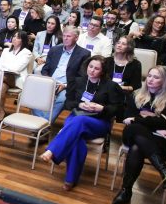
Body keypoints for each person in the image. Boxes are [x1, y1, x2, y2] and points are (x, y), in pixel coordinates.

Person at [40, 56, 122, 190]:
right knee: (77, 138)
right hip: (76, 116)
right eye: (90, 67)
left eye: (96, 68)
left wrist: (102, 108)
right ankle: (70, 180)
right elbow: (68, 103)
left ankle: (52, 150)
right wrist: (80, 104)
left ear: (102, 71)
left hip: (98, 122)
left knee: (79, 122)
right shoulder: (78, 81)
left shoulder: (111, 86)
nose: (92, 70)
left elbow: (117, 109)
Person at [112, 66, 166, 204]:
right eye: (149, 76)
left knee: (137, 148)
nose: (151, 80)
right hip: (134, 134)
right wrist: (154, 125)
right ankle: (164, 171)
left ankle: (126, 191)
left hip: (160, 142)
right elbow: (126, 118)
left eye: (156, 77)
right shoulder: (136, 95)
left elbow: (165, 122)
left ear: (165, 81)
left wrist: (138, 119)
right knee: (134, 128)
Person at [33, 26, 91, 122]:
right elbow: (45, 69)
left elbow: (81, 77)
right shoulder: (54, 50)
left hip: (67, 86)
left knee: (62, 99)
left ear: (76, 38)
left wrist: (64, 85)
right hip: (50, 82)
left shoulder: (84, 54)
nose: (65, 38)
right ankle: (42, 122)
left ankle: (44, 123)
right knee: (32, 93)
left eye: (69, 36)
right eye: (64, 36)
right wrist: (49, 81)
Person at [0, 31, 33, 119]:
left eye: (18, 37)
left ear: (23, 40)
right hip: (4, 78)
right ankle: (1, 111)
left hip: (17, 79)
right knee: (1, 88)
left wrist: (5, 66)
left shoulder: (27, 53)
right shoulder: (6, 51)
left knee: (0, 79)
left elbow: (16, 69)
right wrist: (7, 67)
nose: (14, 39)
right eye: (14, 36)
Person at [105, 36, 142, 119]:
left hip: (124, 95)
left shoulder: (135, 64)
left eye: (123, 44)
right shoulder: (107, 61)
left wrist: (119, 87)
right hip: (107, 93)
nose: (119, 45)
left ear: (129, 47)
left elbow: (136, 86)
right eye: (118, 43)